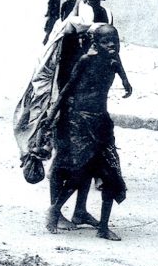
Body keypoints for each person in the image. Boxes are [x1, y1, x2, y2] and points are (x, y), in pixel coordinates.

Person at [14, 0, 131, 231]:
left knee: (90, 156)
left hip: (93, 95)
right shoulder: (73, 7)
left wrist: (122, 79)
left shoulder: (107, 14)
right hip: (68, 91)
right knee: (66, 156)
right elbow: (53, 45)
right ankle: (56, 211)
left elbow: (112, 49)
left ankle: (80, 211)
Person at [46, 23, 129, 239]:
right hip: (80, 121)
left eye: (115, 40)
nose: (112, 45)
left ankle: (103, 228)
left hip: (102, 122)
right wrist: (51, 114)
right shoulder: (86, 60)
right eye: (106, 42)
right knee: (79, 172)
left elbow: (119, 67)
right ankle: (55, 210)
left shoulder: (113, 58)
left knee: (111, 172)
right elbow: (67, 88)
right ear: (95, 43)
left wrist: (127, 82)